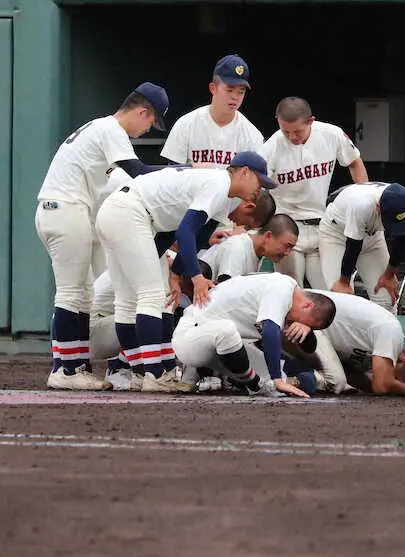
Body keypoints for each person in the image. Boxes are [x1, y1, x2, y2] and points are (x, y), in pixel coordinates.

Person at [94, 153, 276, 392]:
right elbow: (184, 233)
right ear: (244, 172)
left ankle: (142, 373)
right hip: (131, 213)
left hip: (121, 212)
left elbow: (190, 234)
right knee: (152, 296)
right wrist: (196, 277)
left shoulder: (225, 194)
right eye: (259, 182)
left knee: (129, 302)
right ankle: (155, 375)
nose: (259, 188)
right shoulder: (220, 183)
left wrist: (176, 275)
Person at [35, 82, 171, 391]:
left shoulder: (98, 129)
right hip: (66, 209)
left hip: (60, 210)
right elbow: (136, 170)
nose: (149, 128)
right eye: (152, 121)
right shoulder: (112, 130)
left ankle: (71, 366)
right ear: (142, 111)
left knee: (80, 292)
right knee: (73, 293)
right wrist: (183, 172)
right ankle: (66, 371)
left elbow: (122, 179)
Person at [259, 96, 369, 290]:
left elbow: (354, 161)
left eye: (297, 131)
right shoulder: (272, 146)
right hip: (288, 226)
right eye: (286, 131)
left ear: (311, 121)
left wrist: (365, 197)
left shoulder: (331, 134)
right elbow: (255, 187)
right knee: (290, 291)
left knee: (331, 291)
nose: (292, 137)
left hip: (322, 225)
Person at [170, 272, 336, 398]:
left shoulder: (291, 296)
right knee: (226, 330)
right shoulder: (281, 287)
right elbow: (270, 331)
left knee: (300, 384)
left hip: (225, 345)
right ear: (307, 305)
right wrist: (276, 379)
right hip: (191, 335)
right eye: (307, 323)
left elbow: (310, 347)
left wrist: (306, 331)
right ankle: (249, 383)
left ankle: (231, 377)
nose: (301, 325)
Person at [317, 182, 405, 307]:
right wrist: (343, 282)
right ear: (378, 207)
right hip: (336, 234)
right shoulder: (362, 205)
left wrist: (389, 275)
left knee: (386, 298)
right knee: (341, 299)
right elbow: (353, 245)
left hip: (372, 235)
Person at [159, 55, 266, 169]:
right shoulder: (186, 124)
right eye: (229, 90)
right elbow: (172, 175)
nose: (235, 97)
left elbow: (256, 182)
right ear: (213, 88)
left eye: (241, 92)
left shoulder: (252, 134)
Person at [305, 289, 405, 396]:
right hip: (307, 315)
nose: (395, 383)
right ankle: (292, 378)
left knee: (346, 377)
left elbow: (357, 379)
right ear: (403, 361)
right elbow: (381, 386)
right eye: (397, 380)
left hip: (313, 318)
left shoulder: (387, 343)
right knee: (335, 382)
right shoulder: (392, 331)